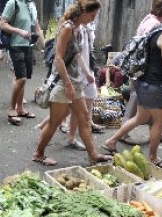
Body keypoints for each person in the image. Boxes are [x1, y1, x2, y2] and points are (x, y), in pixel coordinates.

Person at [103, 1, 162, 168]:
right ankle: (152, 158)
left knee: (141, 117)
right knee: (159, 122)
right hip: (153, 84)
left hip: (144, 81)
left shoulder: (157, 28)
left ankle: (111, 141)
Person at [32, 0, 112, 166]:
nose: (93, 18)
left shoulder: (78, 29)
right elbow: (59, 58)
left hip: (75, 81)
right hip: (63, 82)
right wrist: (68, 84)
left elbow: (76, 54)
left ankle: (93, 154)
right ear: (83, 13)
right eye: (92, 15)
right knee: (55, 122)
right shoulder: (67, 27)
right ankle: (39, 153)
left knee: (83, 118)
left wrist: (88, 73)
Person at [119, 0, 162, 146]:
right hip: (146, 72)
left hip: (141, 70)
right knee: (137, 102)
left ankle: (156, 131)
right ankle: (122, 134)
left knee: (149, 106)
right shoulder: (155, 25)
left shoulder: (149, 19)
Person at [0, 0, 44, 126]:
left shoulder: (31, 5)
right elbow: (2, 24)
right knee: (21, 79)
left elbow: (37, 27)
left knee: (25, 78)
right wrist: (19, 31)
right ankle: (12, 110)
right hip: (16, 45)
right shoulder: (13, 3)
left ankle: (20, 108)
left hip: (28, 46)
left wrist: (46, 47)